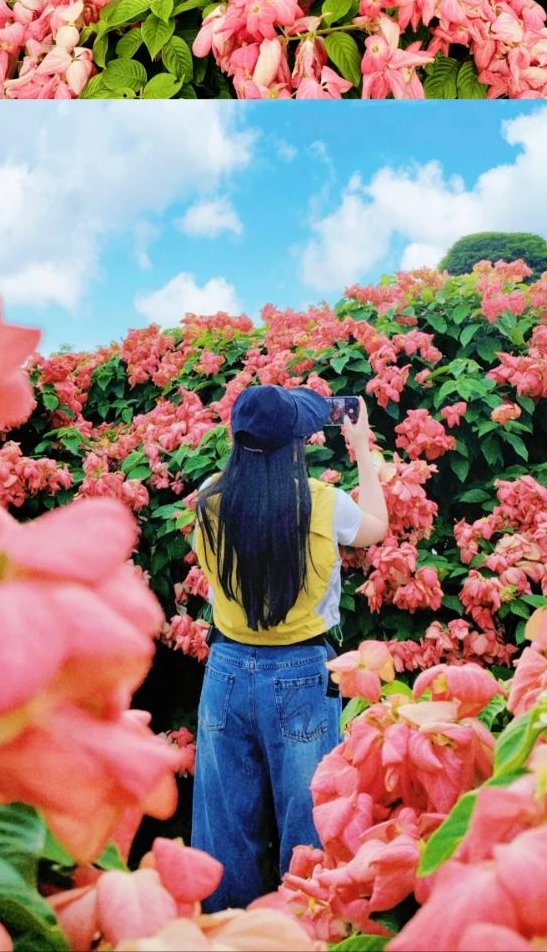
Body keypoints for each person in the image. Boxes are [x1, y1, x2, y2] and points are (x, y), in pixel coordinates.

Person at [189, 385, 388, 909]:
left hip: (225, 669)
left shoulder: (210, 496)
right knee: (309, 828)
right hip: (303, 670)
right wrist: (362, 448)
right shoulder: (324, 503)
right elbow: (377, 527)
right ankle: (303, 929)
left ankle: (221, 937)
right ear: (298, 445)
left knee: (223, 829)